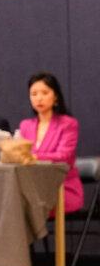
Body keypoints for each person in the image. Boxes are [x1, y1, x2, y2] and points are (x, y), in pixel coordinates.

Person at [18, 72, 82, 215]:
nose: (39, 98)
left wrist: (32, 157)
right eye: (33, 94)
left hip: (62, 188)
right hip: (34, 188)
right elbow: (21, 154)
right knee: (10, 202)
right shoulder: (25, 125)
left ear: (56, 96)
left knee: (23, 206)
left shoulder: (68, 124)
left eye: (45, 93)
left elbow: (63, 156)